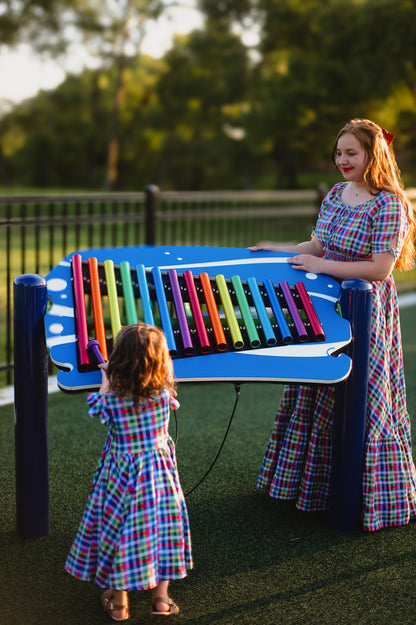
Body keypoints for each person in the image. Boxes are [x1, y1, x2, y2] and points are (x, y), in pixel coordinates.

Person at [252, 118, 416, 531]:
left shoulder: (390, 203)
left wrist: (321, 265)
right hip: (324, 306)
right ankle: (311, 488)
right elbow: (317, 245)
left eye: (351, 153)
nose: (342, 160)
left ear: (372, 155)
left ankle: (358, 497)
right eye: (338, 153)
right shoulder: (336, 195)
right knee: (316, 387)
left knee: (359, 395)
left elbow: (380, 268)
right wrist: (276, 251)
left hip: (365, 311)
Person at [65, 322, 193, 620]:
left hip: (120, 478)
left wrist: (107, 376)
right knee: (163, 529)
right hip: (158, 479)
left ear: (119, 361)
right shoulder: (164, 395)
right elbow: (159, 382)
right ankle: (161, 599)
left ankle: (120, 603)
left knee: (117, 530)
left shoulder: (111, 400)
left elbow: (100, 402)